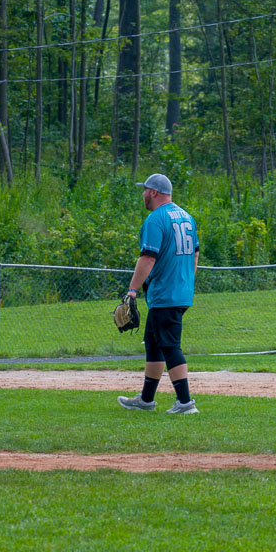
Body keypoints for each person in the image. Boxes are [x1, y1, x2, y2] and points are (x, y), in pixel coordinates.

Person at [118, 173, 200, 415]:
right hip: (179, 291)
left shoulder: (155, 219)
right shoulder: (187, 216)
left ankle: (185, 403)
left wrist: (132, 291)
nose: (143, 194)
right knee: (154, 343)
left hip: (165, 293)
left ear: (153, 192)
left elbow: (148, 257)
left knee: (170, 345)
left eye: (145, 190)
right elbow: (195, 254)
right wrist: (186, 280)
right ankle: (146, 399)